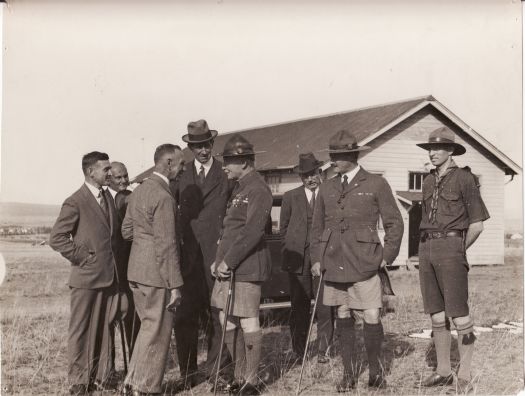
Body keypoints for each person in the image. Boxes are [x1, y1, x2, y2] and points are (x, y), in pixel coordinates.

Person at [310, 130, 404, 392]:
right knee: (342, 313)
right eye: (333, 156)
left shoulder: (375, 183)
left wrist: (387, 256)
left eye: (339, 156)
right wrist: (316, 258)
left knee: (371, 314)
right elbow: (316, 229)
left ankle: (376, 373)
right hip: (334, 262)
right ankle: (348, 374)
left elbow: (395, 223)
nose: (334, 161)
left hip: (365, 262)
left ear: (352, 156)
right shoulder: (326, 187)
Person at [416, 126, 489, 394]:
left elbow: (478, 224)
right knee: (436, 312)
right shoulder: (427, 181)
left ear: (450, 151)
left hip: (451, 247)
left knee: (459, 314)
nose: (433, 153)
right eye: (430, 149)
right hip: (426, 248)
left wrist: (458, 249)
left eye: (437, 149)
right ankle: (444, 371)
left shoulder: (465, 179)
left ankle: (466, 375)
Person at [50, 151, 120, 394]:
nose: (110, 173)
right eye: (106, 169)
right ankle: (78, 382)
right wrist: (83, 257)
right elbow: (57, 238)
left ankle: (101, 375)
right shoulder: (75, 201)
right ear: (91, 172)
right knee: (80, 330)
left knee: (103, 327)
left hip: (107, 277)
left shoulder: (108, 197)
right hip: (85, 278)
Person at [172, 120, 233, 390]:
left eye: (206, 145)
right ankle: (187, 373)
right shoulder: (180, 175)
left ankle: (217, 370)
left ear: (212, 144)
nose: (203, 151)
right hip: (186, 259)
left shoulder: (225, 174)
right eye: (196, 146)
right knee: (185, 316)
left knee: (218, 314)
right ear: (190, 148)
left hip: (215, 257)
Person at [210, 134, 272, 395]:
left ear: (244, 162)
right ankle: (239, 375)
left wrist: (229, 261)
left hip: (245, 267)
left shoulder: (258, 188)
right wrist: (218, 261)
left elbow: (252, 231)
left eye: (229, 162)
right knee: (228, 319)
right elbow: (230, 230)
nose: (224, 166)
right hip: (228, 267)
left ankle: (252, 380)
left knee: (248, 320)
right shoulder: (240, 187)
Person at [121, 144, 185, 395]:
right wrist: (176, 285)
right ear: (168, 163)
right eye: (180, 164)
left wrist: (144, 242)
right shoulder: (164, 197)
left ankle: (133, 383)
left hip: (136, 271)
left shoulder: (138, 192)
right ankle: (146, 388)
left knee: (148, 328)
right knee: (157, 331)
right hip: (157, 275)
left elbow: (127, 231)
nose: (182, 169)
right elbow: (167, 245)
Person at [280, 152, 334, 364]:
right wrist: (291, 248)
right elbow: (283, 229)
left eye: (312, 174)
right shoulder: (290, 197)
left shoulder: (328, 195)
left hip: (322, 258)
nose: (310, 179)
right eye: (305, 176)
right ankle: (299, 351)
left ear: (320, 173)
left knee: (324, 306)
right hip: (298, 262)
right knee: (299, 307)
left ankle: (323, 351)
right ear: (300, 178)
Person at [108, 161, 140, 357]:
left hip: (130, 265)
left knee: (131, 318)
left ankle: (134, 361)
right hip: (112, 269)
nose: (124, 181)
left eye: (125, 176)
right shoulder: (106, 200)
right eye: (118, 178)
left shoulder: (128, 196)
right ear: (108, 179)